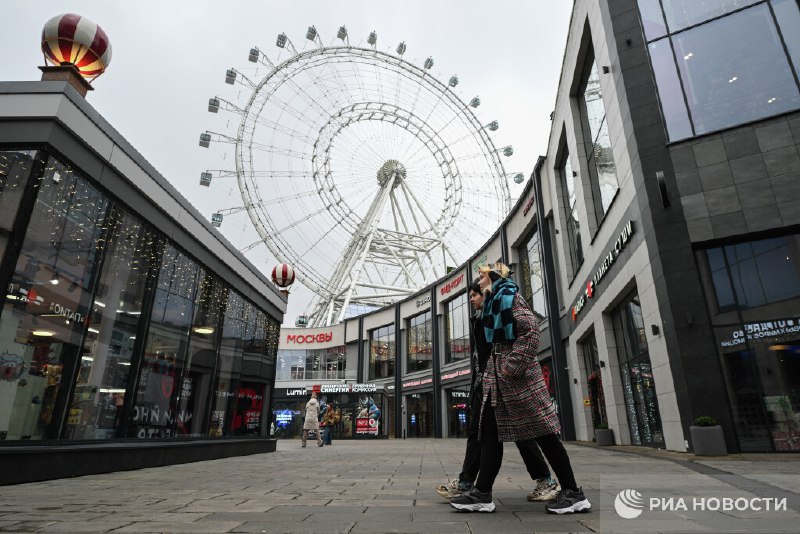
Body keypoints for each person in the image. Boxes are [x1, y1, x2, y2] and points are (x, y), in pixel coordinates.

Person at [450, 263, 591, 514]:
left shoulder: (510, 298)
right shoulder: (494, 304)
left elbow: (530, 332)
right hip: (500, 383)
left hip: (519, 381)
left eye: (481, 278)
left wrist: (510, 367)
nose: (479, 282)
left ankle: (573, 492)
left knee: (544, 434)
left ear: (492, 278)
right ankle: (482, 493)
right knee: (490, 432)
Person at [438, 281, 559, 504]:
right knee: (481, 434)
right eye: (470, 295)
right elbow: (479, 359)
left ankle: (546, 481)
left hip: (501, 382)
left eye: (475, 294)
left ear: (487, 294)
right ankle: (472, 484)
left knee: (521, 434)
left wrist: (507, 371)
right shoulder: (480, 320)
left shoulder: (497, 314)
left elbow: (517, 341)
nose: (471, 299)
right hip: (485, 384)